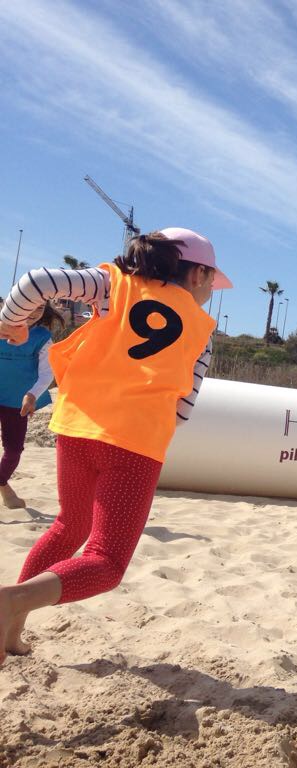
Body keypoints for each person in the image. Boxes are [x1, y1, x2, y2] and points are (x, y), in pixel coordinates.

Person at [0, 228, 230, 666]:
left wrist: (11, 322)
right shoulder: (202, 331)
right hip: (134, 444)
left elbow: (36, 283)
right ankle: (11, 601)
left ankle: (12, 632)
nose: (210, 294)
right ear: (198, 273)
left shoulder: (111, 285)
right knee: (105, 563)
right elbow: (183, 408)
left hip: (76, 427)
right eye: (211, 282)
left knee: (68, 527)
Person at [0, 301, 63, 509]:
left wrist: (32, 394)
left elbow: (47, 373)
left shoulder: (42, 338)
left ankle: (2, 482)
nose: (34, 312)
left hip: (18, 401)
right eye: (29, 305)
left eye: (40, 308)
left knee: (14, 450)